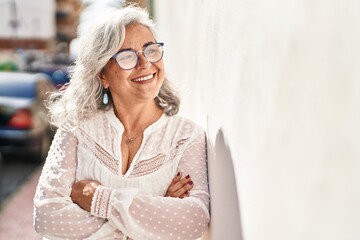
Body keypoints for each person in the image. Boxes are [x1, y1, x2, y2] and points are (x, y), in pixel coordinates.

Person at [33, 6, 210, 240]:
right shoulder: (76, 129)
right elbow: (46, 216)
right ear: (102, 74)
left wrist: (98, 199)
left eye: (151, 50)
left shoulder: (186, 137)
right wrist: (154, 218)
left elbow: (193, 220)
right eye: (127, 56)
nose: (145, 64)